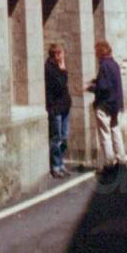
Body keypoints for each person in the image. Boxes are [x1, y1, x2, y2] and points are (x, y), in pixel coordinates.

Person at [87, 40, 125, 176]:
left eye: (96, 52)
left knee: (105, 135)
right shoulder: (114, 64)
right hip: (115, 105)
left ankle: (109, 164)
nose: (95, 55)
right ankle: (121, 160)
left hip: (104, 105)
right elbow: (111, 83)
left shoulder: (104, 66)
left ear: (100, 53)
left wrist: (90, 87)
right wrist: (96, 81)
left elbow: (103, 87)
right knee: (115, 131)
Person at [45, 43, 71, 178]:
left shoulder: (58, 67)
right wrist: (63, 70)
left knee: (64, 137)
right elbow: (60, 85)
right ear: (56, 55)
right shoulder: (49, 68)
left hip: (64, 106)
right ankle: (56, 166)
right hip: (56, 108)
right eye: (61, 53)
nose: (63, 56)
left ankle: (61, 163)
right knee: (57, 138)